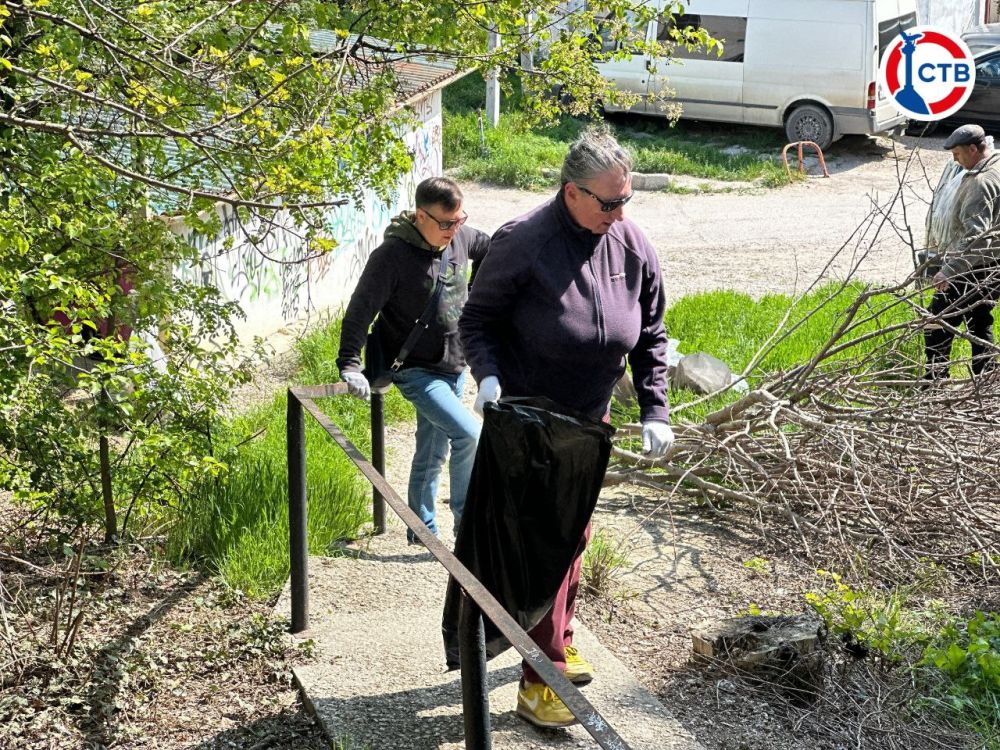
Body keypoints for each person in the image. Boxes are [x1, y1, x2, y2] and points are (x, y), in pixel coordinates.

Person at [458, 126, 673, 728]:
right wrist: (488, 376)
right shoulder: (524, 241)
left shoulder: (630, 242)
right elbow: (478, 320)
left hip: (589, 421)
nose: (619, 212)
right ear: (571, 192)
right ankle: (540, 680)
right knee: (539, 547)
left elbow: (651, 333)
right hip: (530, 422)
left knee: (573, 538)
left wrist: (654, 408)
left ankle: (557, 639)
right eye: (609, 202)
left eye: (626, 198)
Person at [337, 177, 489, 543]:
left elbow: (492, 248)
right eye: (446, 223)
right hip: (415, 370)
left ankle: (421, 530)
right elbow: (359, 312)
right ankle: (466, 528)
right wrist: (349, 364)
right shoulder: (391, 256)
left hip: (454, 364)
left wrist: (479, 293)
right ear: (421, 216)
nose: (454, 230)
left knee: (432, 451)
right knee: (469, 435)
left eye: (460, 220)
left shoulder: (460, 237)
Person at [922, 124, 1000, 381]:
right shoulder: (997, 166)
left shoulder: (981, 182)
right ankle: (986, 377)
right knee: (979, 319)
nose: (955, 160)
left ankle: (935, 381)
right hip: (993, 265)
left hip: (974, 266)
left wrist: (949, 270)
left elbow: (976, 237)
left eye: (957, 154)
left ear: (973, 149)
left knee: (936, 321)